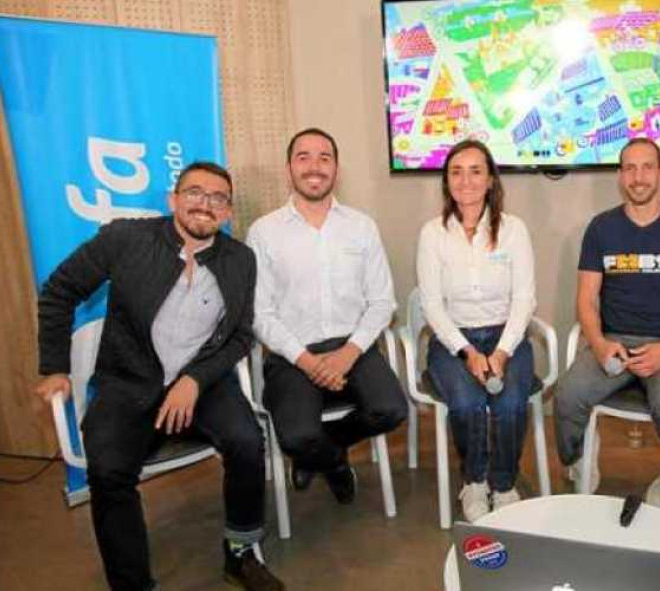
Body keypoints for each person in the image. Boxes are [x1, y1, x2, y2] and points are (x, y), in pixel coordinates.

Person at [35, 162, 284, 591]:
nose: (205, 204)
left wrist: (194, 380)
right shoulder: (125, 238)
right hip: (128, 382)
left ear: (227, 212)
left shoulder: (240, 259)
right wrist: (55, 367)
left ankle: (240, 552)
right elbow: (60, 291)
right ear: (173, 200)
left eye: (218, 198)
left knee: (247, 441)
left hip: (202, 381)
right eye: (194, 193)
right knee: (109, 470)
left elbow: (240, 336)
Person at [247, 128, 406, 502]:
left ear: (336, 168)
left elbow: (382, 302)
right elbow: (260, 313)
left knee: (391, 410)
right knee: (296, 436)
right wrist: (307, 361)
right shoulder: (264, 232)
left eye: (324, 158)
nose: (314, 167)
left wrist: (348, 353)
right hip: (292, 354)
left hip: (354, 347)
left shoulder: (361, 226)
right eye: (303, 157)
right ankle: (332, 462)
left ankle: (321, 451)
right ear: (289, 168)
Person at [555, 138, 660, 509]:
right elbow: (586, 300)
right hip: (613, 340)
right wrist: (599, 343)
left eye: (647, 167)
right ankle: (579, 456)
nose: (639, 177)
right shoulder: (601, 228)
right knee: (567, 397)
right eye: (630, 168)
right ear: (620, 176)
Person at [417, 139, 537, 522]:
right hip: (453, 340)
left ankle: (503, 483)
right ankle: (474, 480)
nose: (465, 180)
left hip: (506, 337)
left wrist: (501, 352)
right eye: (456, 172)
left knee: (510, 403)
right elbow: (432, 305)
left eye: (475, 171)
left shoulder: (514, 230)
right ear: (446, 182)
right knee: (467, 403)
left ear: (490, 181)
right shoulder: (433, 233)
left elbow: (524, 299)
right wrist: (467, 352)